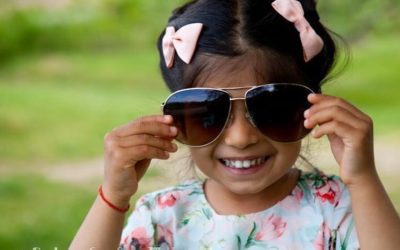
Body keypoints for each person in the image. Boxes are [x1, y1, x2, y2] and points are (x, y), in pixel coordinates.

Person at [70, 0, 400, 249]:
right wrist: (113, 196)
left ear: (313, 110)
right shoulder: (162, 216)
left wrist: (363, 179)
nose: (241, 138)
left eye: (272, 108)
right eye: (207, 113)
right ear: (174, 120)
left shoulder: (338, 208)